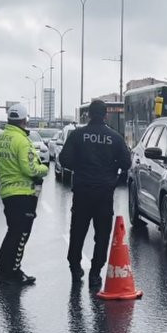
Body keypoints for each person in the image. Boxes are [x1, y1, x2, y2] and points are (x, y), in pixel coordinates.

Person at [59, 99, 132, 290]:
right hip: (104, 193)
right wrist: (110, 169)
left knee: (77, 232)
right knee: (102, 235)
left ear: (88, 115)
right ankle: (95, 274)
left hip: (82, 191)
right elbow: (126, 164)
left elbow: (63, 159)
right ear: (105, 115)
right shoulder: (115, 138)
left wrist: (81, 167)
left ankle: (75, 268)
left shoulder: (77, 135)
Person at [0, 103, 49, 286]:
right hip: (23, 194)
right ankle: (13, 272)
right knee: (21, 234)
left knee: (13, 232)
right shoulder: (22, 141)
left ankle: (3, 269)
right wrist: (44, 169)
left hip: (7, 192)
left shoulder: (0, 139)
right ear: (24, 120)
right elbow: (30, 168)